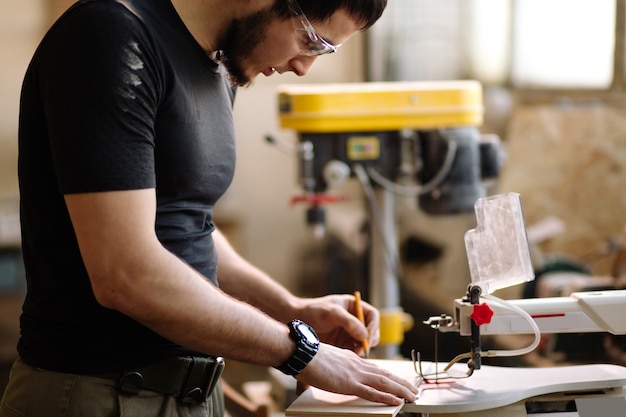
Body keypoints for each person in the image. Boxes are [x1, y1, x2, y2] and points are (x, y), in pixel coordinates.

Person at [0, 0, 420, 416]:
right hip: (100, 394)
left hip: (191, 394)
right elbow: (125, 274)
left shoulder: (219, 65)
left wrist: (290, 308)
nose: (303, 67)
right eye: (311, 41)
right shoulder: (111, 36)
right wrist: (301, 351)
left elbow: (186, 227)